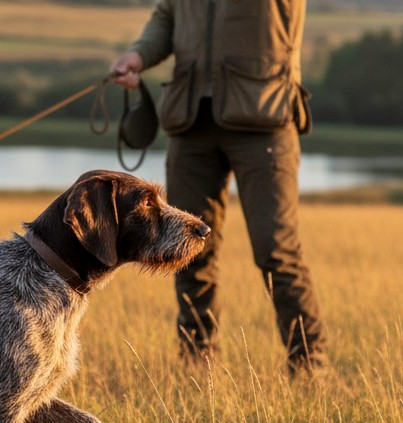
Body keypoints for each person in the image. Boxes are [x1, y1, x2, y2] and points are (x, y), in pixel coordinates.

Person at [109, 0, 326, 376]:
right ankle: (197, 364)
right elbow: (168, 14)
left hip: (265, 117)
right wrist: (138, 54)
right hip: (191, 121)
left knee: (277, 253)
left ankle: (309, 368)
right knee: (186, 248)